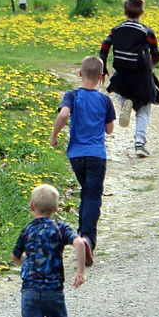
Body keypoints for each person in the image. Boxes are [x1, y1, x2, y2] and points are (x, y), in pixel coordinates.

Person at [11, 185, 88, 317]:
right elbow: (79, 242)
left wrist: (29, 261)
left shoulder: (27, 230)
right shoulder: (60, 228)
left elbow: (16, 257)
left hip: (29, 291)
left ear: (31, 206)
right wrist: (80, 271)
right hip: (52, 289)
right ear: (56, 208)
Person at [49, 55, 115, 267]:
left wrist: (54, 135)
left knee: (85, 191)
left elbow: (64, 114)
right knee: (92, 195)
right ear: (101, 77)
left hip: (76, 154)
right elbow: (110, 129)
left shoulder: (72, 95)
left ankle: (82, 235)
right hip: (97, 154)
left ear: (79, 73)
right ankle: (87, 238)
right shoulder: (105, 100)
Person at [100, 0, 159, 158]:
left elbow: (105, 46)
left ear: (124, 11)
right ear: (142, 11)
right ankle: (140, 143)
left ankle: (124, 103)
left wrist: (103, 66)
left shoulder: (116, 30)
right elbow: (155, 54)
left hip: (122, 74)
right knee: (143, 109)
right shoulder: (147, 32)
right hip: (142, 76)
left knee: (121, 94)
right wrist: (153, 61)